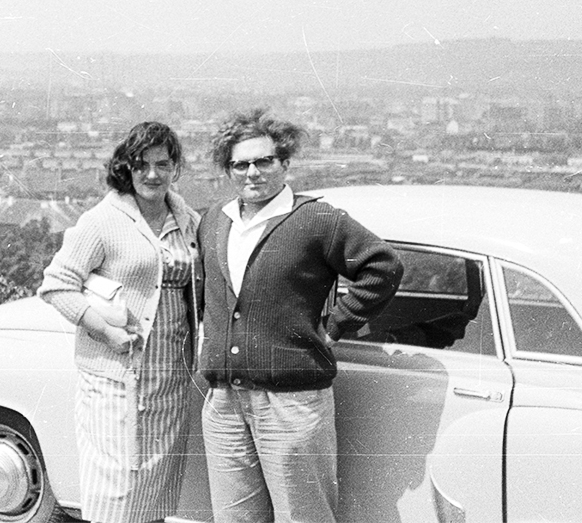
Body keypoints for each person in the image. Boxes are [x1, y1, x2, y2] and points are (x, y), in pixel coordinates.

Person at [196, 108, 404, 523]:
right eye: (240, 164)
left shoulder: (316, 219)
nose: (252, 173)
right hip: (224, 403)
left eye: (263, 161)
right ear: (228, 171)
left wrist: (337, 323)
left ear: (285, 163)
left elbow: (382, 266)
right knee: (234, 517)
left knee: (303, 516)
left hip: (291, 402)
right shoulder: (214, 222)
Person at [37, 121, 201, 523]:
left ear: (175, 168)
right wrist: (105, 330)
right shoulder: (101, 220)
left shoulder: (187, 220)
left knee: (156, 487)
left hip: (170, 377)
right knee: (115, 488)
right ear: (125, 167)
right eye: (141, 164)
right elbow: (56, 285)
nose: (151, 174)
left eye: (162, 164)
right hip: (116, 377)